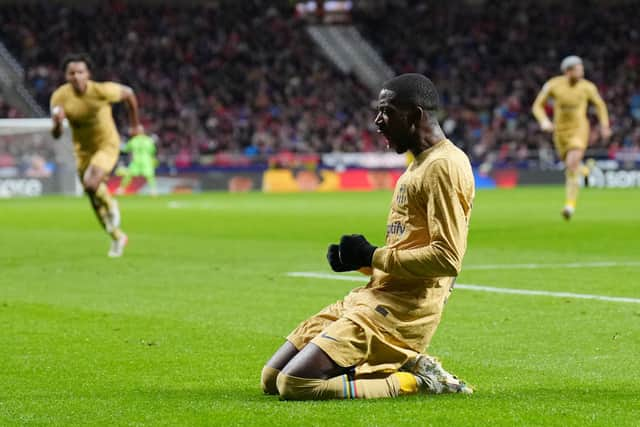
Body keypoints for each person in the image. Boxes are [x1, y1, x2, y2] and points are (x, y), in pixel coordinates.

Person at [261, 73, 475, 400]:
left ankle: (417, 380)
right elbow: (408, 247)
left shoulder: (444, 166)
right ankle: (385, 368)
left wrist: (371, 254)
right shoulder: (419, 165)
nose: (377, 121)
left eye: (386, 112)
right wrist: (359, 263)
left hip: (402, 311)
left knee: (296, 384)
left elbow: (447, 259)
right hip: (373, 296)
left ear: (415, 116)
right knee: (271, 378)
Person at [50, 53, 143, 257]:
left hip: (107, 144)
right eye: (71, 73)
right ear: (66, 76)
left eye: (80, 72)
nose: (76, 76)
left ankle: (111, 203)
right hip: (83, 151)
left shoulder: (101, 90)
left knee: (91, 183)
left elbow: (129, 94)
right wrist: (57, 123)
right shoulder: (59, 97)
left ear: (88, 74)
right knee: (91, 195)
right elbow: (56, 135)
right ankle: (117, 237)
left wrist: (135, 125)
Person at [532, 55, 611, 220]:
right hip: (559, 132)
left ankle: (569, 205)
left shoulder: (588, 87)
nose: (582, 71)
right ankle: (587, 169)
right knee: (571, 167)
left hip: (579, 129)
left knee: (571, 163)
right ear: (568, 71)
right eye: (578, 68)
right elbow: (537, 106)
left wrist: (604, 126)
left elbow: (600, 105)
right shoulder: (553, 85)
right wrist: (544, 121)